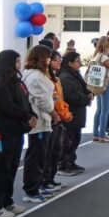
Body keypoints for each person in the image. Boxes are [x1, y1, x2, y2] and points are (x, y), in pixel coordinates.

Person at [0, 50, 37, 217]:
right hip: (3, 131)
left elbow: (25, 102)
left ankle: (7, 201)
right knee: (2, 167)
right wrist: (27, 116)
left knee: (12, 166)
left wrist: (31, 115)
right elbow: (8, 107)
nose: (19, 65)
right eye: (16, 62)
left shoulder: (16, 81)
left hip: (16, 130)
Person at [21, 45, 54, 203]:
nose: (49, 60)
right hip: (39, 120)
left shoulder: (34, 74)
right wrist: (54, 113)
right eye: (47, 57)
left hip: (41, 119)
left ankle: (37, 185)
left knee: (40, 155)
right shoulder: (35, 76)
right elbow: (42, 100)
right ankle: (31, 190)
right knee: (36, 156)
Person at [43, 50, 72, 193]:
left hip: (58, 118)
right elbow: (52, 99)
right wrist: (59, 114)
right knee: (48, 152)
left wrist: (64, 112)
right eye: (56, 59)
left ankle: (51, 179)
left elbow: (59, 99)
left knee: (56, 151)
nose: (59, 61)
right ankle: (45, 181)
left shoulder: (56, 78)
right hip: (52, 119)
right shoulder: (46, 79)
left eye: (60, 59)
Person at [57, 51, 90, 175]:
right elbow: (72, 96)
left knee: (74, 139)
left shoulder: (75, 74)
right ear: (70, 63)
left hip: (76, 114)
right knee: (68, 141)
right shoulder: (65, 77)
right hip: (70, 114)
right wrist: (86, 99)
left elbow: (83, 88)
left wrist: (88, 93)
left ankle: (71, 162)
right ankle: (64, 165)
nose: (80, 64)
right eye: (78, 62)